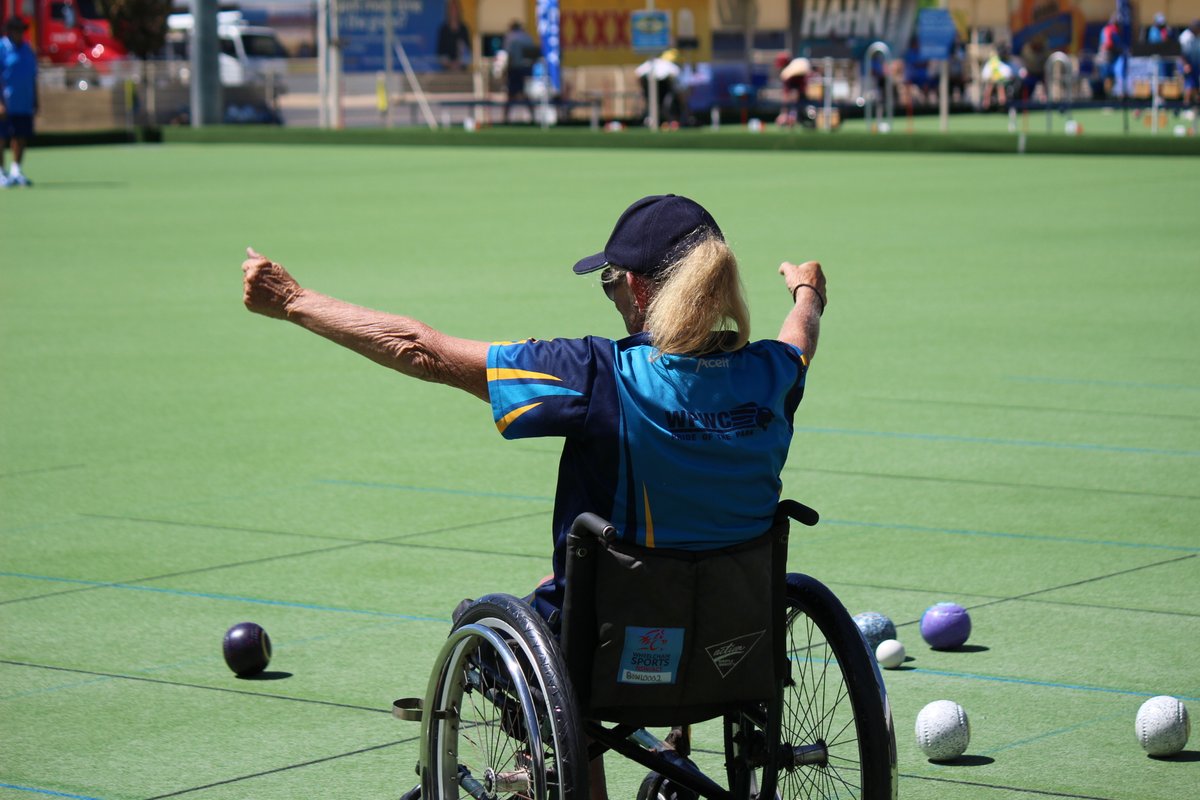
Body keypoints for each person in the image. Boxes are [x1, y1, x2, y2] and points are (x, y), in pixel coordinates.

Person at [0, 16, 38, 188]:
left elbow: (33, 76)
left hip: (23, 103)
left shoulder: (27, 49)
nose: (20, 33)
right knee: (1, 137)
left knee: (20, 136)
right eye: (17, 30)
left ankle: (16, 171)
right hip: (5, 103)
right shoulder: (1, 48)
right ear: (10, 31)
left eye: (22, 30)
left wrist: (36, 99)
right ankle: (1, 172)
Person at [635, 48, 683, 128]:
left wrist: (643, 87)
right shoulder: (668, 65)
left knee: (660, 105)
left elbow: (637, 73)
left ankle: (661, 121)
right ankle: (660, 120)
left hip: (658, 91)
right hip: (658, 90)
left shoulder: (653, 62)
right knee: (660, 105)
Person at [501, 20, 537, 123]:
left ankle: (505, 119)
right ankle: (533, 117)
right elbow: (533, 56)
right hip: (527, 69)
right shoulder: (528, 37)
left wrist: (505, 72)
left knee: (511, 95)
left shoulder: (510, 37)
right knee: (527, 95)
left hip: (515, 69)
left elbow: (508, 55)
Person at [774, 52, 813, 128]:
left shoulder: (790, 71)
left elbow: (788, 94)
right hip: (800, 96)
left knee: (797, 104)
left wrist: (784, 113)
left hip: (803, 95)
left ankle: (792, 118)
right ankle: (791, 118)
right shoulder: (789, 72)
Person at [435, 0, 471, 71]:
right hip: (447, 71)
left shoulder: (464, 29)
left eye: (455, 9)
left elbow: (468, 53)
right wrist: (450, 64)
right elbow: (440, 54)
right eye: (451, 9)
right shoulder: (443, 30)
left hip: (462, 70)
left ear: (459, 11)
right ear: (448, 11)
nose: (453, 12)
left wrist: (459, 63)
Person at [1181, 20, 1200, 107]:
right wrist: (1185, 64)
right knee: (1189, 85)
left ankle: (1196, 106)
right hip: (1189, 65)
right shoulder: (1186, 37)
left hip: (1197, 65)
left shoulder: (1197, 37)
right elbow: (1181, 53)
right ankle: (1186, 106)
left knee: (1196, 86)